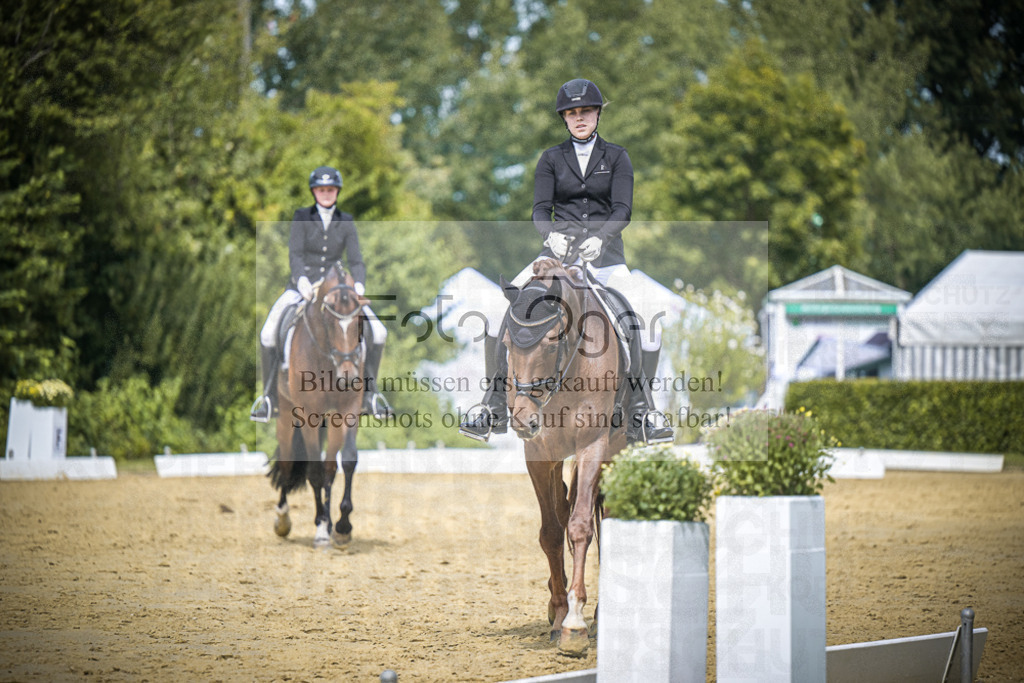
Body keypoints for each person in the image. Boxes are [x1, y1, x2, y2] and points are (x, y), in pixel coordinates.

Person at [459, 78, 673, 444]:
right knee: (495, 309)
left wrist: (600, 238)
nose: (579, 118)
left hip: (605, 259)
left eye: (586, 111)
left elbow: (623, 209)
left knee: (648, 316)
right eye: (572, 113)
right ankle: (492, 404)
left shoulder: (618, 157)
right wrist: (549, 236)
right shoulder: (551, 159)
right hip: (553, 257)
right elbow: (540, 209)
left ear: (597, 114)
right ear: (565, 119)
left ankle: (642, 409)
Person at [250, 166, 392, 422]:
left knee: (380, 331)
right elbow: (295, 254)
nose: (326, 194)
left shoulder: (345, 221)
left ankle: (371, 395)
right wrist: (301, 280)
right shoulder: (302, 216)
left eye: (330, 189)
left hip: (339, 291)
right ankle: (269, 398)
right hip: (303, 287)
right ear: (314, 192)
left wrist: (358, 287)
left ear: (336, 191)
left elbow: (356, 261)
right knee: (268, 332)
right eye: (321, 189)